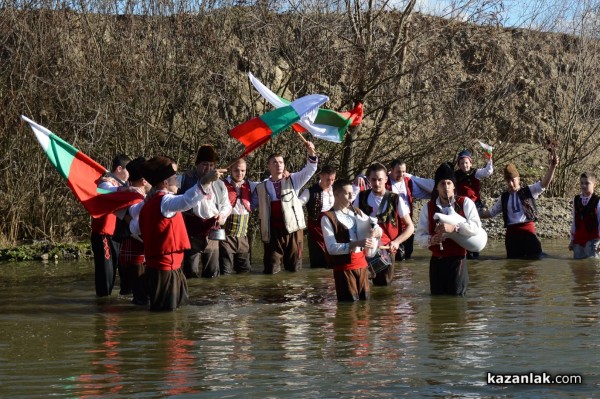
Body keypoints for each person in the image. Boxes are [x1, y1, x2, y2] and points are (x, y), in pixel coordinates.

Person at [139, 156, 224, 311]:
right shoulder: (165, 201)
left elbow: (135, 230)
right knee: (166, 317)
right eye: (173, 179)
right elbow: (186, 201)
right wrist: (205, 182)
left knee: (171, 313)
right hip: (166, 269)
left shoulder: (148, 203)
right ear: (165, 183)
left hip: (167, 268)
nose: (177, 181)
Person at [415, 163, 482, 296]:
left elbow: (475, 228)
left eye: (449, 183)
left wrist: (455, 228)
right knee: (437, 301)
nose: (446, 187)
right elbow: (418, 236)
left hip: (457, 260)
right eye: (442, 184)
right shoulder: (428, 207)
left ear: (454, 185)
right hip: (436, 261)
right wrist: (431, 239)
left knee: (456, 299)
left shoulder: (466, 203)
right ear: (436, 187)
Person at [254, 140, 318, 274]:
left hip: (293, 230)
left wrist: (311, 152)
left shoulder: (293, 179)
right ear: (268, 167)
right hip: (272, 231)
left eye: (281, 162)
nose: (278, 165)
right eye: (275, 162)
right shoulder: (261, 186)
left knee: (294, 268)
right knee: (271, 269)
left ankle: (292, 293)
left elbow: (310, 169)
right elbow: (249, 201)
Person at [481, 153, 559, 259]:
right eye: (508, 181)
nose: (511, 184)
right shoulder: (504, 197)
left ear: (518, 179)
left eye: (513, 180)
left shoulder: (528, 191)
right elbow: (490, 213)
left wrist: (552, 167)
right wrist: (473, 213)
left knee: (534, 263)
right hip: (512, 237)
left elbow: (544, 184)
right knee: (513, 266)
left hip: (528, 233)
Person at [321, 179, 382, 301]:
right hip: (344, 269)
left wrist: (376, 231)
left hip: (362, 266)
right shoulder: (328, 218)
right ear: (336, 194)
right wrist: (357, 243)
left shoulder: (357, 212)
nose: (351, 196)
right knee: (349, 307)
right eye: (347, 193)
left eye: (352, 193)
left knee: (365, 307)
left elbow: (377, 228)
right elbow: (331, 248)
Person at [354, 162, 414, 286]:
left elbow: (410, 226)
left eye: (380, 179)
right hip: (364, 249)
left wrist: (397, 242)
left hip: (386, 251)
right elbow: (352, 222)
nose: (376, 183)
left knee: (384, 289)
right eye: (373, 179)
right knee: (361, 287)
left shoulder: (395, 199)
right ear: (368, 180)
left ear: (386, 179)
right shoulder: (360, 197)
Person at [179, 144, 232, 278]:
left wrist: (222, 215)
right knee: (191, 271)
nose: (208, 168)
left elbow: (227, 205)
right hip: (191, 232)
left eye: (211, 165)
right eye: (204, 164)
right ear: (196, 164)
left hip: (212, 232)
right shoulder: (185, 179)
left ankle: (211, 297)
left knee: (212, 272)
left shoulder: (220, 184)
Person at [90, 154, 130, 297]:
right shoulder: (105, 183)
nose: (130, 174)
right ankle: (103, 304)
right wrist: (122, 190)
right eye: (128, 170)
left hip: (119, 234)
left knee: (125, 273)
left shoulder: (125, 185)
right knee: (106, 274)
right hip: (104, 234)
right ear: (119, 168)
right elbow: (106, 192)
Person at [119, 157, 152, 305]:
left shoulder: (125, 193)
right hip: (137, 255)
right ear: (144, 180)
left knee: (128, 295)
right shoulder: (136, 198)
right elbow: (139, 229)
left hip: (127, 253)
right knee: (141, 300)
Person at [386, 158, 432, 260]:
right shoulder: (384, 182)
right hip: (393, 225)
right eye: (398, 172)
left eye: (403, 171)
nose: (401, 174)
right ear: (391, 170)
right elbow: (370, 178)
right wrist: (360, 177)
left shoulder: (408, 182)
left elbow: (425, 192)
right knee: (396, 257)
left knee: (407, 256)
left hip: (407, 225)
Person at [454, 149, 493, 259]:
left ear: (470, 163)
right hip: (461, 206)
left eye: (466, 163)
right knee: (463, 227)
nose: (464, 165)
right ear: (459, 165)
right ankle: (464, 249)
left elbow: (488, 171)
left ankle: (475, 250)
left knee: (475, 227)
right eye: (462, 163)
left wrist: (489, 159)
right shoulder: (455, 176)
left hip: (474, 206)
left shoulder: (475, 173)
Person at [220, 158, 257, 274]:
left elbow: (269, 182)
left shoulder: (251, 185)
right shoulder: (221, 184)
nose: (240, 173)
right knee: (225, 272)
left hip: (243, 237)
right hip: (226, 238)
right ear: (230, 169)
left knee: (245, 271)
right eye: (236, 170)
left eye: (243, 170)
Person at [299, 165, 336, 268]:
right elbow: (297, 205)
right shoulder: (309, 191)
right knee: (318, 261)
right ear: (321, 176)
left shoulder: (335, 190)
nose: (330, 182)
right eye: (328, 179)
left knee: (332, 259)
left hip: (331, 229)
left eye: (333, 179)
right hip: (316, 230)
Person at [569, 172, 600, 259]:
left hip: (593, 239)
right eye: (582, 183)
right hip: (579, 239)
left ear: (594, 184)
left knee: (592, 265)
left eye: (587, 183)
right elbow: (574, 221)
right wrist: (572, 240)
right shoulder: (576, 199)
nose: (583, 185)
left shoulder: (597, 201)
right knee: (577, 266)